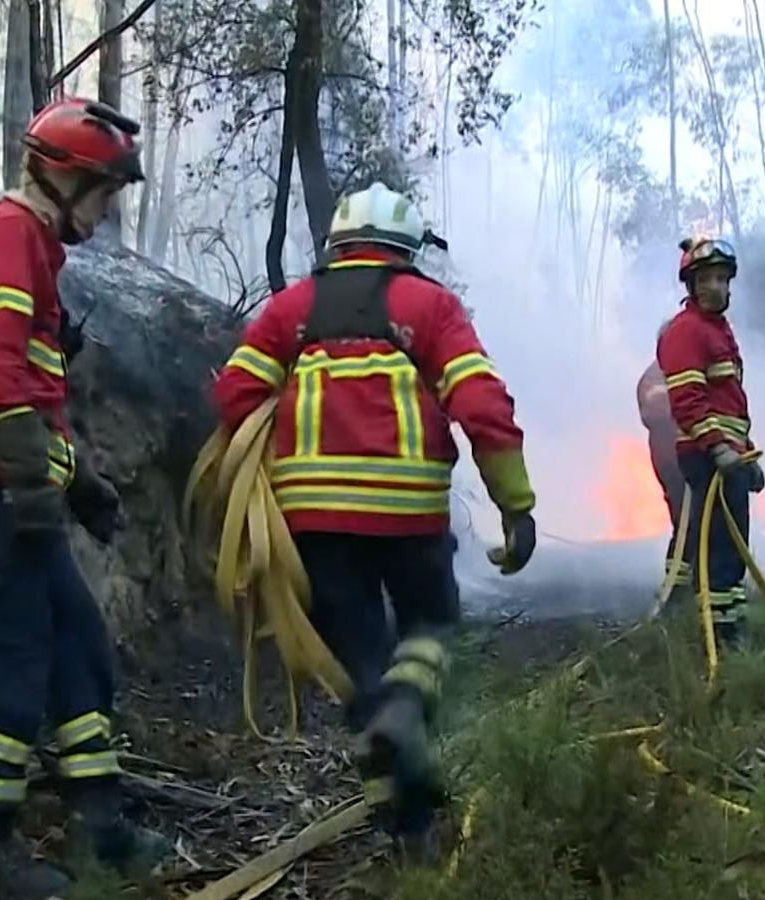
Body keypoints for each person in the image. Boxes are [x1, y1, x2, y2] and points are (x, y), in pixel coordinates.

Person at [212, 182, 538, 859]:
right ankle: (405, 713)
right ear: (407, 249)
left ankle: (406, 822)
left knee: (360, 658)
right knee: (431, 626)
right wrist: (516, 503)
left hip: (315, 523)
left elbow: (236, 394)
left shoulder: (292, 307)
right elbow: (481, 404)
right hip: (408, 512)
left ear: (337, 245)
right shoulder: (429, 305)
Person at [0, 97, 169, 898]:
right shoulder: (6, 235)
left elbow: (26, 394)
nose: (108, 211)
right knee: (11, 651)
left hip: (15, 486)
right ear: (61, 177)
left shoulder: (32, 251)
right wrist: (33, 485)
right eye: (103, 192)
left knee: (76, 643)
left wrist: (81, 483)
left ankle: (99, 822)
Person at [655, 237, 765, 644]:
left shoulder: (718, 331)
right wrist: (719, 447)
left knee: (729, 544)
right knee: (721, 545)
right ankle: (721, 636)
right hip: (707, 456)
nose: (717, 287)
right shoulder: (686, 332)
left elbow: (730, 402)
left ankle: (723, 621)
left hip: (728, 457)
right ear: (691, 285)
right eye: (707, 279)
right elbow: (688, 401)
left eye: (722, 278)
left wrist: (746, 455)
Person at [636, 358, 689, 595]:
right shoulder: (656, 377)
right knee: (686, 522)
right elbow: (655, 411)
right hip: (675, 458)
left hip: (690, 455)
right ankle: (677, 590)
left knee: (696, 523)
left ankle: (691, 583)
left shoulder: (690, 364)